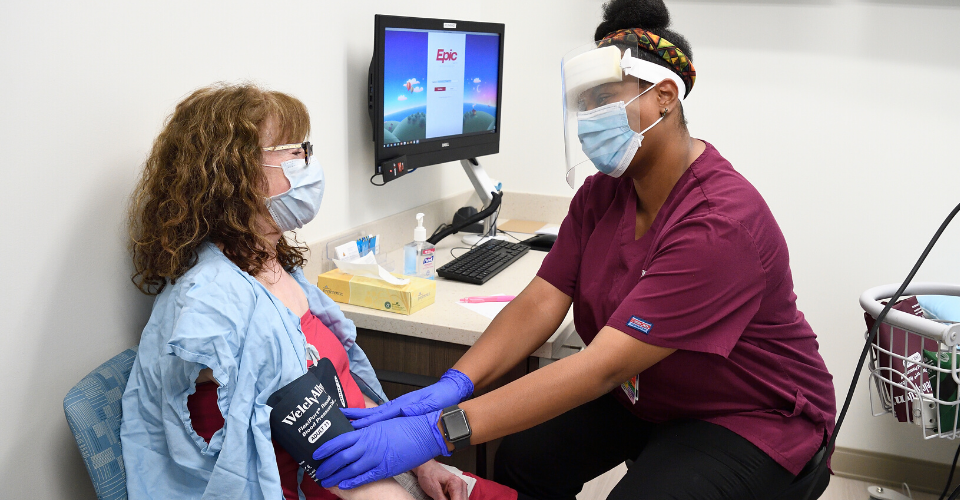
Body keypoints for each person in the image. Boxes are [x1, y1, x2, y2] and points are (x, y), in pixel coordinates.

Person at [309, 1, 838, 499]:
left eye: (605, 97)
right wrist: (453, 383)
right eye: (584, 102)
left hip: (750, 415)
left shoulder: (721, 223)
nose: (590, 116)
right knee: (520, 459)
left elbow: (602, 367)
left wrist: (440, 430)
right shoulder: (603, 193)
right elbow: (542, 298)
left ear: (665, 96)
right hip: (648, 394)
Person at [119, 82, 478, 500]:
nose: (308, 161)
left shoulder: (274, 267)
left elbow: (344, 386)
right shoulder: (215, 301)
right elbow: (332, 460)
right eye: (295, 150)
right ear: (236, 173)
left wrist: (420, 461)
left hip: (370, 465)